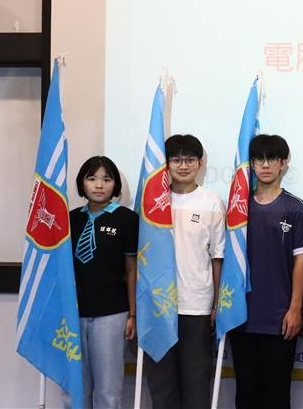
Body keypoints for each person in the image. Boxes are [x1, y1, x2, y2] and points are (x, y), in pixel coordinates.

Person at [228, 134, 303, 409]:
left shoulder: (294, 207)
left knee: (277, 395)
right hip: (241, 316)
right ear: (250, 164)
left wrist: (294, 309)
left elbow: (302, 262)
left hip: (280, 318)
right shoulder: (238, 209)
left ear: (283, 163)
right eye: (258, 159)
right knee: (246, 393)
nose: (265, 165)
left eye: (272, 159)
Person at [144, 134, 225, 409]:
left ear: (200, 163)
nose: (183, 166)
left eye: (189, 159)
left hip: (196, 306)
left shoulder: (211, 201)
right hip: (158, 306)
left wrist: (216, 304)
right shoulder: (153, 201)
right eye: (176, 159)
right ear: (165, 164)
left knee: (196, 382)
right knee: (162, 385)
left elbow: (217, 257)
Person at [69, 156, 138, 409]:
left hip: (112, 313)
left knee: (108, 392)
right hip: (74, 314)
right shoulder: (70, 219)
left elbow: (131, 270)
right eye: (92, 178)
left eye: (106, 179)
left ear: (115, 184)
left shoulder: (127, 219)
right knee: (75, 389)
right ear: (82, 184)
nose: (99, 185)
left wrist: (132, 314)